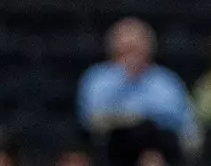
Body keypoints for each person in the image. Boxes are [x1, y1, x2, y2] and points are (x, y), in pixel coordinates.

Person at [78, 17, 200, 154]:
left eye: (136, 50)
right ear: (113, 50)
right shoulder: (97, 78)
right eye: (126, 51)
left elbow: (184, 121)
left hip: (160, 151)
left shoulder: (166, 81)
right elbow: (92, 119)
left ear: (149, 49)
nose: (132, 58)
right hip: (113, 151)